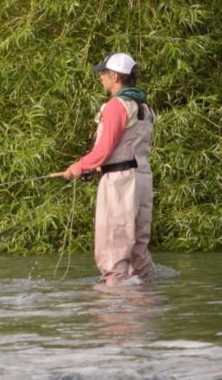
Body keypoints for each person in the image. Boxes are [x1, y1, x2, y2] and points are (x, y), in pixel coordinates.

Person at [63, 52, 154, 286]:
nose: (101, 78)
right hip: (142, 180)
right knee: (138, 252)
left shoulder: (116, 106)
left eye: (103, 73)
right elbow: (125, 146)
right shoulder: (144, 106)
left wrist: (79, 166)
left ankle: (114, 315)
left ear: (115, 76)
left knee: (113, 248)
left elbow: (104, 150)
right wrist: (93, 168)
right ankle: (143, 308)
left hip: (120, 182)